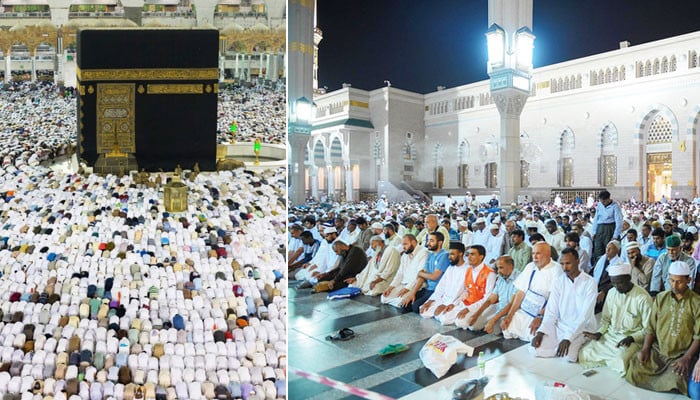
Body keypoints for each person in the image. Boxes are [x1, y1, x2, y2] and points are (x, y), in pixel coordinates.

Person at [626, 261, 700, 397]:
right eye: (672, 280)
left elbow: (698, 336)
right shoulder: (661, 298)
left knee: (677, 378)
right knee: (635, 368)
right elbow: (651, 327)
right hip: (659, 350)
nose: (674, 285)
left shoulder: (696, 302)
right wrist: (645, 348)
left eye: (679, 282)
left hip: (680, 355)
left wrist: (687, 358)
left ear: (688, 280)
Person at [579, 263, 652, 375]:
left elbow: (648, 329)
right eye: (614, 283)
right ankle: (607, 359)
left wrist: (632, 338)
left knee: (621, 361)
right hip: (611, 336)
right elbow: (606, 320)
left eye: (620, 282)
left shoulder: (642, 297)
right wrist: (599, 333)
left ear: (629, 278)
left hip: (631, 339)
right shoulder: (612, 293)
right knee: (585, 352)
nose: (617, 286)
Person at [531, 248, 597, 362]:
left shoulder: (590, 282)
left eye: (568, 263)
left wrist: (568, 338)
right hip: (561, 325)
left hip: (582, 328)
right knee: (537, 349)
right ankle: (558, 344)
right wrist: (541, 332)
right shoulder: (558, 282)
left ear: (577, 261)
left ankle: (582, 341)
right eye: (562, 264)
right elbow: (551, 311)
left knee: (569, 357)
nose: (565, 267)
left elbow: (584, 315)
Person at [501, 242, 563, 342]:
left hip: (543, 313)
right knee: (507, 329)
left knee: (536, 340)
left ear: (547, 254)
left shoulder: (556, 269)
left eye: (538, 253)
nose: (534, 257)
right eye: (533, 253)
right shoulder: (530, 266)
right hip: (525, 310)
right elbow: (520, 292)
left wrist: (540, 317)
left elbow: (554, 299)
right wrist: (510, 315)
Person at [436, 245, 497, 327]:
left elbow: (487, 298)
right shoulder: (468, 270)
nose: (469, 257)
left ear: (481, 257)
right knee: (444, 318)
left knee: (460, 322)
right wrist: (454, 304)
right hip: (467, 303)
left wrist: (469, 309)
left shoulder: (490, 273)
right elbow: (466, 291)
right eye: (468, 254)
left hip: (480, 306)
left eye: (473, 254)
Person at [458, 255, 518, 334]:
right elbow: (490, 300)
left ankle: (492, 324)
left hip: (511, 311)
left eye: (501, 267)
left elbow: (511, 304)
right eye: (498, 268)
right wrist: (477, 314)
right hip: (499, 307)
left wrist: (493, 320)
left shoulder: (519, 278)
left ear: (511, 266)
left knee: (495, 331)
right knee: (473, 326)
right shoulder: (500, 277)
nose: (499, 271)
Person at [419, 242, 469, 322]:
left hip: (456, 302)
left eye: (452, 254)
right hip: (443, 300)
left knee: (444, 318)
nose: (449, 257)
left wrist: (450, 304)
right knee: (424, 311)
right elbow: (441, 287)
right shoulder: (450, 268)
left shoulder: (468, 269)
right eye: (449, 254)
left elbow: (466, 292)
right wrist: (432, 300)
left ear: (460, 254)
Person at [381, 234, 429, 310]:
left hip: (416, 287)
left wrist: (407, 288)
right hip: (403, 284)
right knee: (384, 297)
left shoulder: (423, 252)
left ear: (413, 242)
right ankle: (396, 302)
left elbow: (420, 275)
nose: (403, 247)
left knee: (403, 302)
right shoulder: (405, 255)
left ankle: (397, 302)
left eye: (405, 244)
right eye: (402, 244)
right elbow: (400, 273)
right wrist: (391, 287)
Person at [410, 232, 451, 313]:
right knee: (406, 304)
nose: (428, 243)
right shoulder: (430, 255)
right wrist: (413, 292)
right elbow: (424, 272)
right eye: (428, 240)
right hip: (428, 288)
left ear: (440, 242)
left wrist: (420, 273)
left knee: (415, 307)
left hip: (436, 290)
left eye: (431, 241)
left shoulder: (444, 255)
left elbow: (434, 276)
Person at [591, 190, 623, 263]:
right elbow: (596, 218)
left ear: (609, 199)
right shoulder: (599, 205)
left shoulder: (615, 206)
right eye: (601, 201)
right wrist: (594, 232)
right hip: (600, 228)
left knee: (609, 249)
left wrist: (615, 235)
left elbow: (619, 221)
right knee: (598, 249)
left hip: (610, 228)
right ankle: (598, 266)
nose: (603, 203)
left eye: (604, 201)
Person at [591, 240, 622, 313]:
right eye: (607, 248)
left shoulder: (619, 264)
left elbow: (615, 282)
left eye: (610, 249)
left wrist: (604, 291)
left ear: (617, 251)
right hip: (594, 286)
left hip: (606, 290)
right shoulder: (600, 259)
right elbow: (592, 272)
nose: (607, 250)